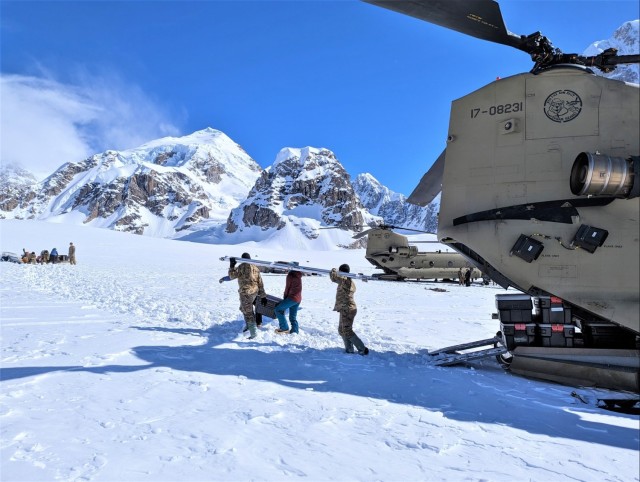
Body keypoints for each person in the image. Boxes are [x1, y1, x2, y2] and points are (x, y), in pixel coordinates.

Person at [330, 264, 368, 355]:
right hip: (345, 308)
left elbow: (333, 277)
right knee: (341, 330)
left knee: (347, 330)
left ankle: (362, 349)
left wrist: (334, 270)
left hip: (348, 309)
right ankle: (349, 349)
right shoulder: (346, 281)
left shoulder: (345, 280)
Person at [228, 253, 267, 339]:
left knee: (247, 311)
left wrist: (232, 266)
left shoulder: (241, 267)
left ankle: (253, 332)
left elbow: (231, 276)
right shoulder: (255, 268)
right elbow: (260, 282)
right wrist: (263, 296)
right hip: (254, 292)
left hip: (246, 293)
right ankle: (249, 326)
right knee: (243, 308)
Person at [274, 270, 302, 334]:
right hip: (298, 299)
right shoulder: (299, 275)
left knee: (278, 309)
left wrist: (285, 298)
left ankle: (284, 328)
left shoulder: (290, 276)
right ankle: (295, 331)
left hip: (292, 298)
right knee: (292, 316)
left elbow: (287, 288)